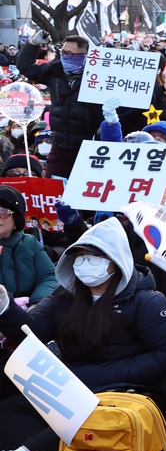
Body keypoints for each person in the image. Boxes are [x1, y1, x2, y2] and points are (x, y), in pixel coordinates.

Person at [0, 219, 166, 451]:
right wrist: (6, 307)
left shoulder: (146, 301)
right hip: (69, 386)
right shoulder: (65, 297)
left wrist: (101, 377)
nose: (85, 263)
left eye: (94, 256)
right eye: (80, 257)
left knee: (87, 412)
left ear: (115, 261)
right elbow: (33, 330)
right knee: (11, 408)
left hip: (127, 392)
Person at [16, 32, 103, 179]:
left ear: (86, 55)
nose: (66, 57)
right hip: (59, 146)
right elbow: (25, 67)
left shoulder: (100, 76)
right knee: (54, 190)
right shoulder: (54, 71)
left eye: (71, 53)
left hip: (89, 147)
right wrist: (33, 45)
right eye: (63, 52)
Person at [0, 185, 57, 304]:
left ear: (16, 221)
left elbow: (48, 277)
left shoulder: (30, 243)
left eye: (4, 211)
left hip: (27, 310)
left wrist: (37, 305)